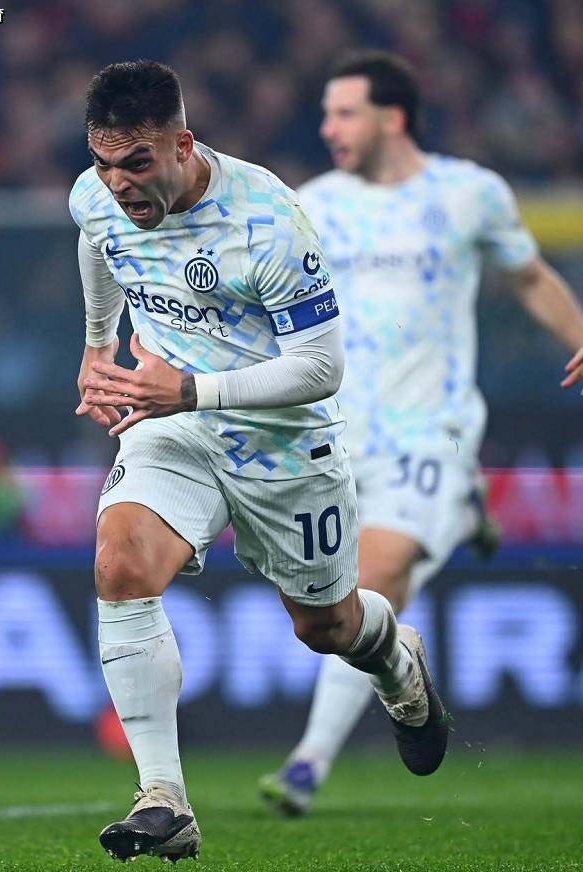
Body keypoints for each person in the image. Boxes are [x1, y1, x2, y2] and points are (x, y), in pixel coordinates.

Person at [69, 60, 448, 864]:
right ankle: (162, 797)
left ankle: (395, 658)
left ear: (182, 146)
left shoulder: (268, 221)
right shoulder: (96, 196)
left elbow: (321, 368)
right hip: (173, 426)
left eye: (136, 163)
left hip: (282, 443)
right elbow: (97, 242)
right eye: (103, 163)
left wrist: (192, 389)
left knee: (326, 627)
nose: (118, 184)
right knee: (119, 565)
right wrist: (99, 345)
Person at [259, 50, 583, 817]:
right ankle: (463, 514)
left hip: (427, 431)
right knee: (343, 609)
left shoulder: (468, 194)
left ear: (392, 118)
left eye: (344, 113)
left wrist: (578, 332)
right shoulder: (313, 205)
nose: (327, 127)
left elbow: (527, 275)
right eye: (326, 113)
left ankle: (307, 763)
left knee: (372, 580)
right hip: (335, 434)